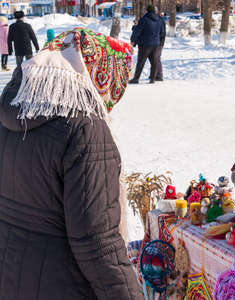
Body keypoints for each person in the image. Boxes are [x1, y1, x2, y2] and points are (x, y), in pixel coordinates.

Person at [0, 28, 143, 300]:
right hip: (64, 284)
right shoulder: (85, 128)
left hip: (12, 275)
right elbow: (98, 242)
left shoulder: (12, 114)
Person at [129, 5, 164, 84]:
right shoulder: (159, 20)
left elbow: (137, 31)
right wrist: (158, 40)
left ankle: (136, 78)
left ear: (147, 10)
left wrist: (133, 40)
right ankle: (153, 79)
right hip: (155, 44)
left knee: (141, 62)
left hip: (144, 44)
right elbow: (162, 32)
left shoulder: (144, 19)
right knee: (154, 62)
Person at [155, 7, 166, 81]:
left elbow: (162, 33)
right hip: (156, 42)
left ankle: (159, 75)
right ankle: (155, 74)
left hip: (159, 42)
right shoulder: (156, 19)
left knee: (157, 58)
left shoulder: (159, 20)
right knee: (155, 58)